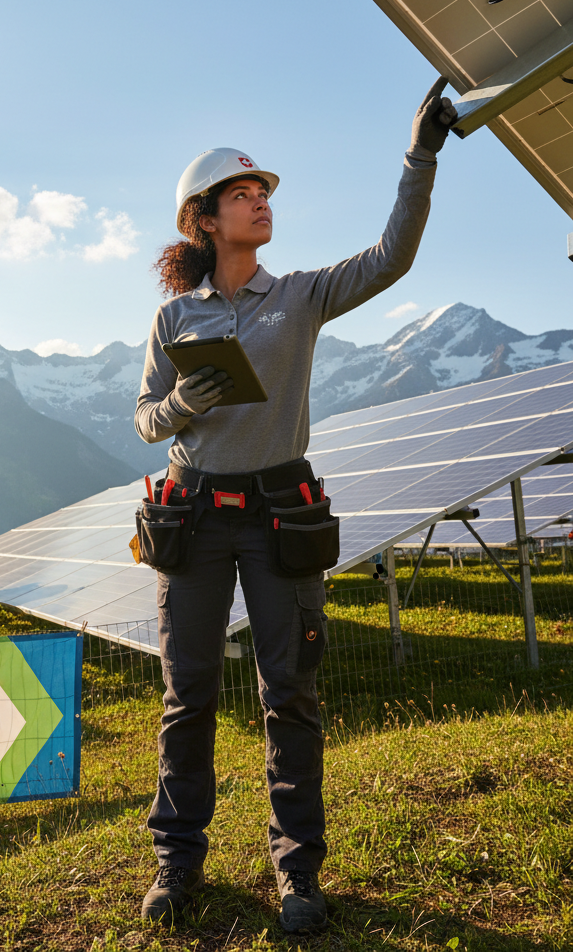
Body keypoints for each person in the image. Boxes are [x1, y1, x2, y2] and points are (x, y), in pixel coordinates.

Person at [134, 80, 457, 933]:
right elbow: (146, 419)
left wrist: (419, 156)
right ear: (204, 220)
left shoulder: (302, 296)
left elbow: (391, 257)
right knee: (187, 696)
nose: (260, 201)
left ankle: (298, 872)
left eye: (263, 191)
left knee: (291, 696)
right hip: (192, 517)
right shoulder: (173, 317)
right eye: (242, 193)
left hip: (281, 513)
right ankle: (177, 862)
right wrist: (183, 404)